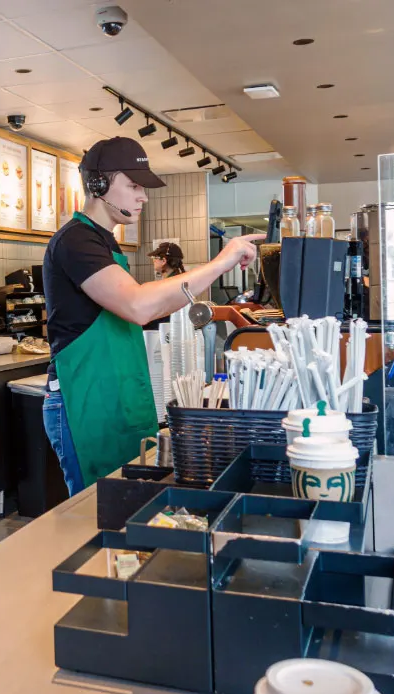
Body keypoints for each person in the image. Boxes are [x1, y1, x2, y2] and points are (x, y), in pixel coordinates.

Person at [42, 137, 261, 495]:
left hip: (113, 395)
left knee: (124, 505)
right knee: (94, 511)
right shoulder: (76, 241)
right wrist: (223, 261)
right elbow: (138, 305)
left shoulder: (105, 242)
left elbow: (156, 305)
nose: (143, 197)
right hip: (86, 402)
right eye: (134, 186)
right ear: (98, 184)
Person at [144, 242, 186, 330]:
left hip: (167, 330)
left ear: (163, 261)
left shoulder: (169, 285)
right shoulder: (178, 280)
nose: (153, 260)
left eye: (155, 258)